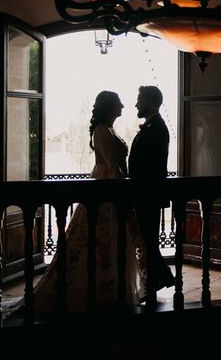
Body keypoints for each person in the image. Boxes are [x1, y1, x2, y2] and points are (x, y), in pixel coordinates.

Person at [26, 91, 146, 317]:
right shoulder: (102, 131)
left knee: (111, 243)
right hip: (106, 194)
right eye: (117, 102)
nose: (122, 105)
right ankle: (100, 292)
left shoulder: (108, 130)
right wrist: (125, 189)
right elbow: (112, 168)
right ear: (109, 106)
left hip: (111, 188)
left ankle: (111, 289)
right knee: (99, 242)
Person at [128, 85, 175, 292]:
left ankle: (160, 279)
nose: (136, 103)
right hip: (146, 193)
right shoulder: (152, 125)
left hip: (148, 193)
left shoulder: (156, 127)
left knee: (148, 240)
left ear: (149, 101)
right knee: (148, 241)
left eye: (139, 99)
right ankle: (158, 279)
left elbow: (150, 165)